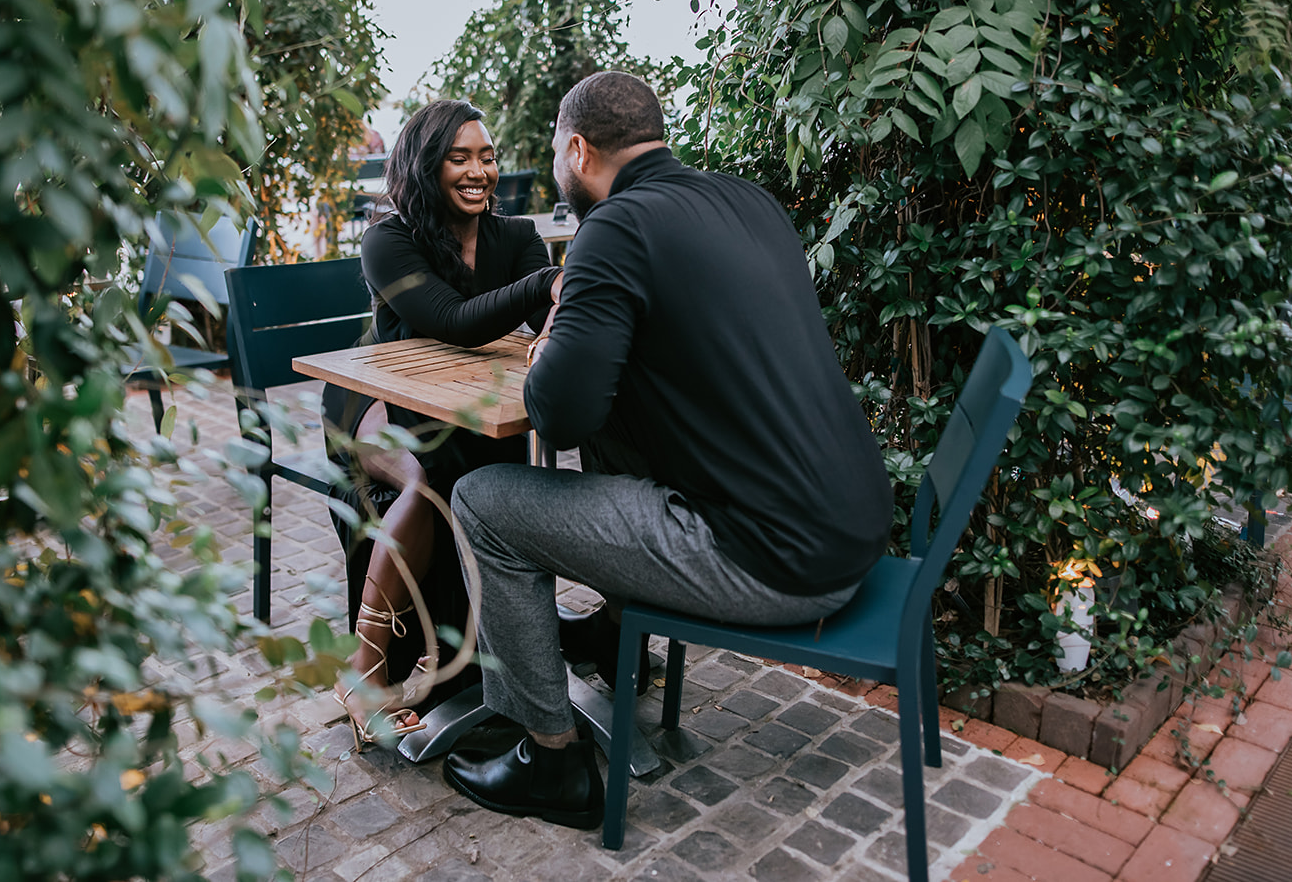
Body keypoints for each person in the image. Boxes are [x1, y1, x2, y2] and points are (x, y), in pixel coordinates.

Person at [441, 72, 895, 828]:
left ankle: (551, 758)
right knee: (622, 430)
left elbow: (557, 413)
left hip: (771, 559)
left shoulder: (613, 228)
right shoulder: (749, 201)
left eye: (557, 154)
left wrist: (551, 345)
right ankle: (619, 636)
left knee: (482, 501)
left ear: (578, 150)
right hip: (851, 528)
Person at [321, 99, 560, 748]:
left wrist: (560, 309)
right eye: (460, 157)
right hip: (369, 402)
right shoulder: (389, 238)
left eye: (486, 155)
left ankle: (492, 659)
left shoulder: (513, 236)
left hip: (462, 405)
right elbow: (453, 319)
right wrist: (545, 282)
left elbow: (548, 324)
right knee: (424, 477)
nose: (478, 170)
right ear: (427, 165)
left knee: (486, 470)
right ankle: (362, 670)